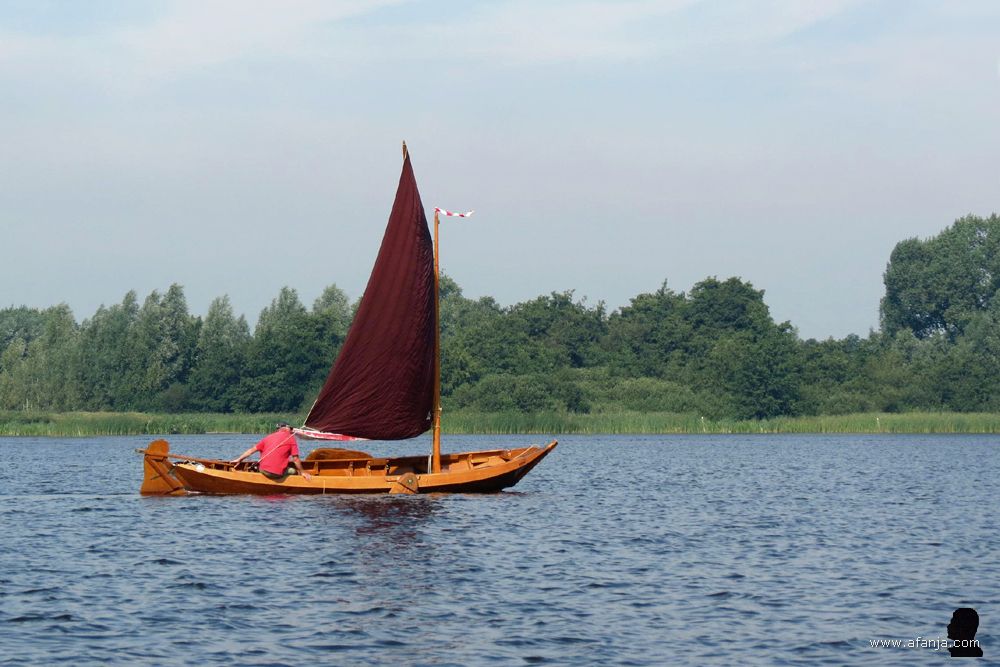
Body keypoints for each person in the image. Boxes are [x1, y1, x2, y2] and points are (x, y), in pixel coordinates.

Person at [231, 422, 311, 481]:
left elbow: (251, 450)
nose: (292, 431)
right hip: (275, 474)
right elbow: (296, 459)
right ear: (287, 428)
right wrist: (302, 472)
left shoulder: (268, 437)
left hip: (263, 470)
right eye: (291, 429)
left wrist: (239, 459)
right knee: (293, 471)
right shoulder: (291, 438)